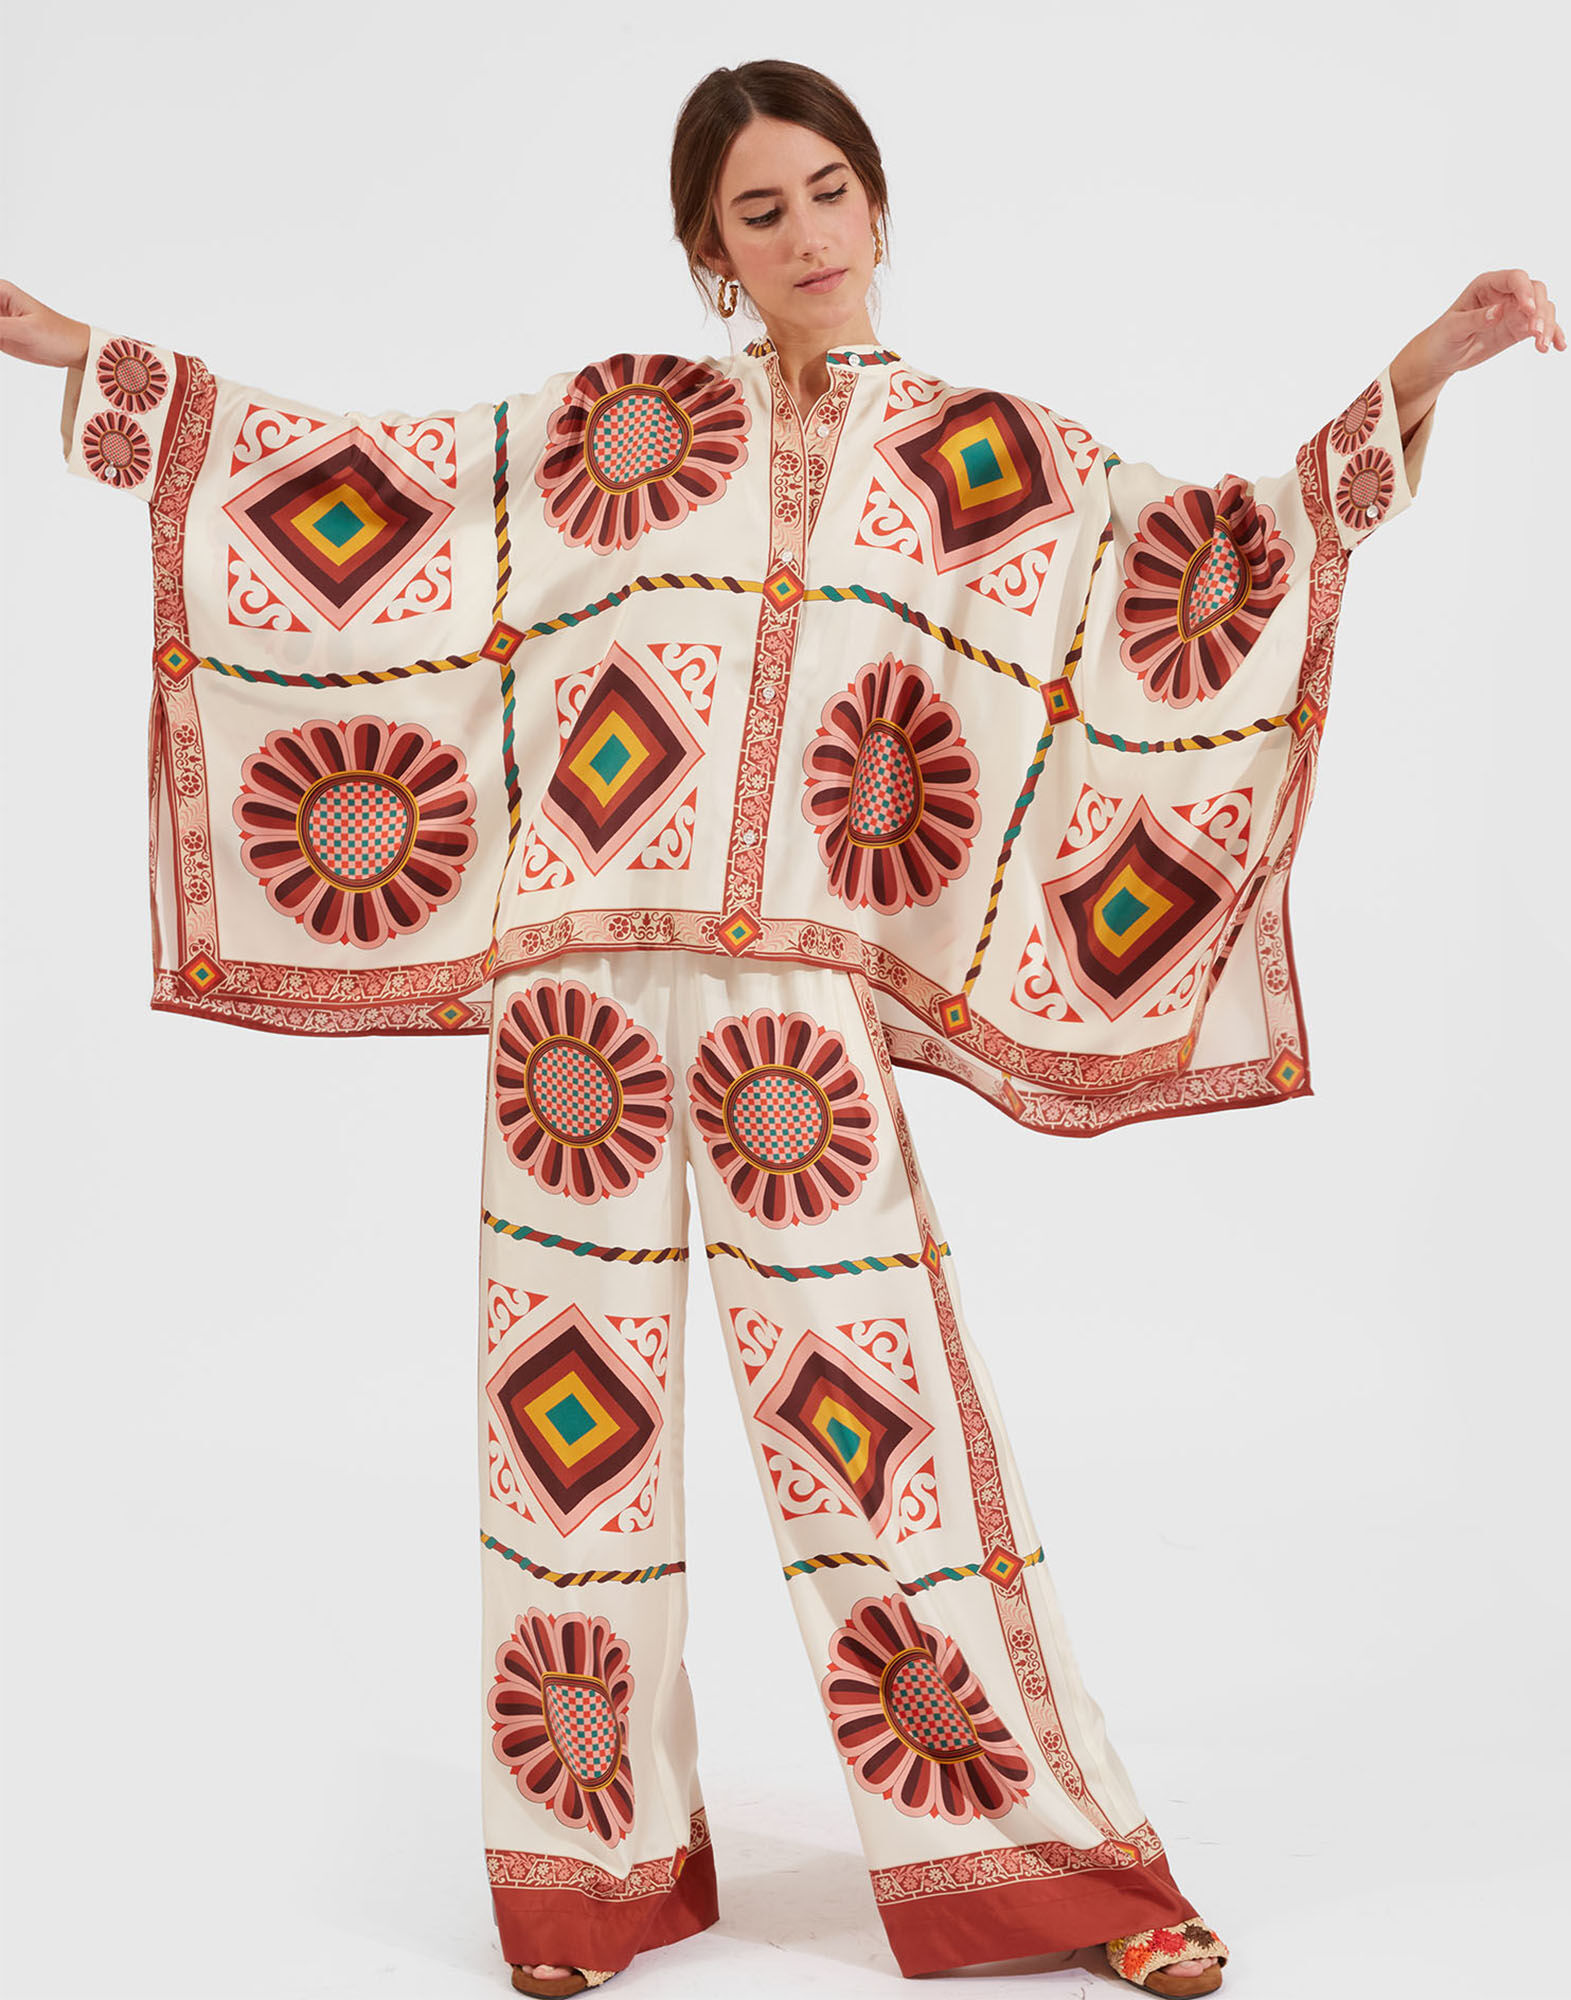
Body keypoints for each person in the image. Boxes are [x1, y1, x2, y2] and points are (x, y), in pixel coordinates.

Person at [1, 54, 1559, 2000]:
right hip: (575, 988)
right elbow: (380, 493)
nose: (808, 233)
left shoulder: (986, 459)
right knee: (563, 1426)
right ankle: (580, 1877)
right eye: (762, 211)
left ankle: (1059, 1867)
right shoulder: (613, 424)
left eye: (830, 191)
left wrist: (1414, 375)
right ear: (708, 250)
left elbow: (1196, 565)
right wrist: (93, 360)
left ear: (878, 203)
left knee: (876, 1420)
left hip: (790, 1002)